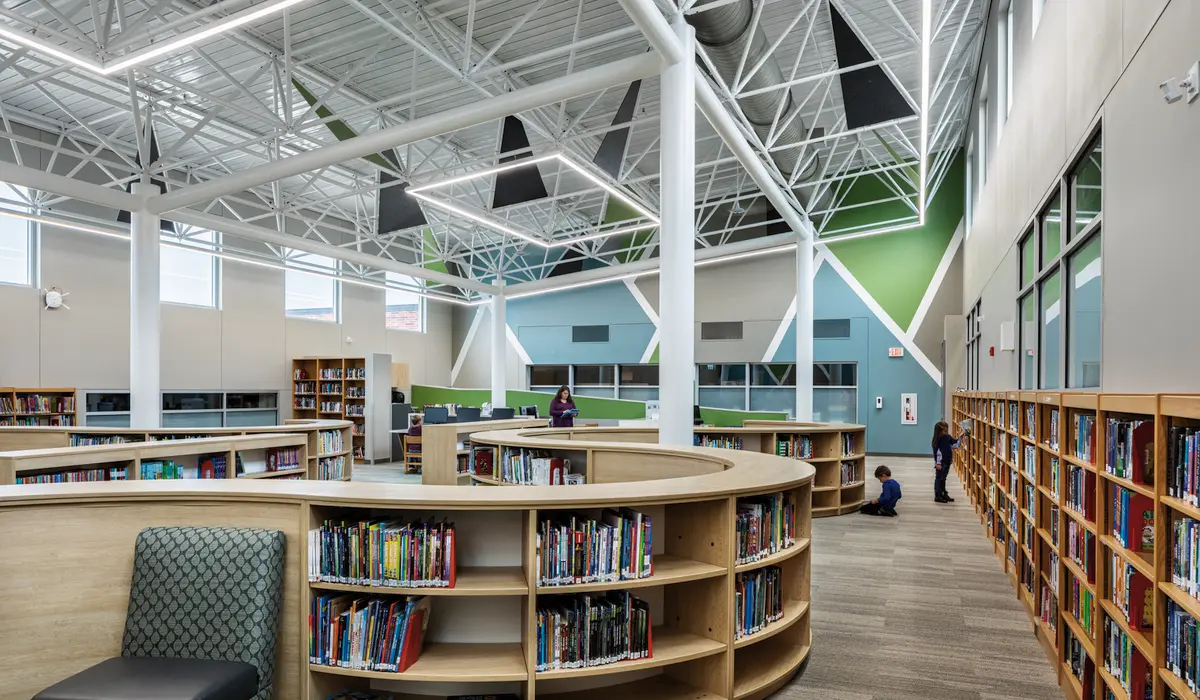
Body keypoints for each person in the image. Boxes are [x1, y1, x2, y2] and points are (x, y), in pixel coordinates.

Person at [932, 420, 966, 503]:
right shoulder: (938, 440)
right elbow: (937, 453)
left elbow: (955, 445)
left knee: (943, 478)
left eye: (947, 430)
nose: (946, 432)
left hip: (947, 461)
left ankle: (943, 493)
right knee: (939, 478)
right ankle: (938, 495)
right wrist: (938, 463)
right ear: (939, 431)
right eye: (944, 430)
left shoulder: (947, 437)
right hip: (941, 463)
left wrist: (960, 437)